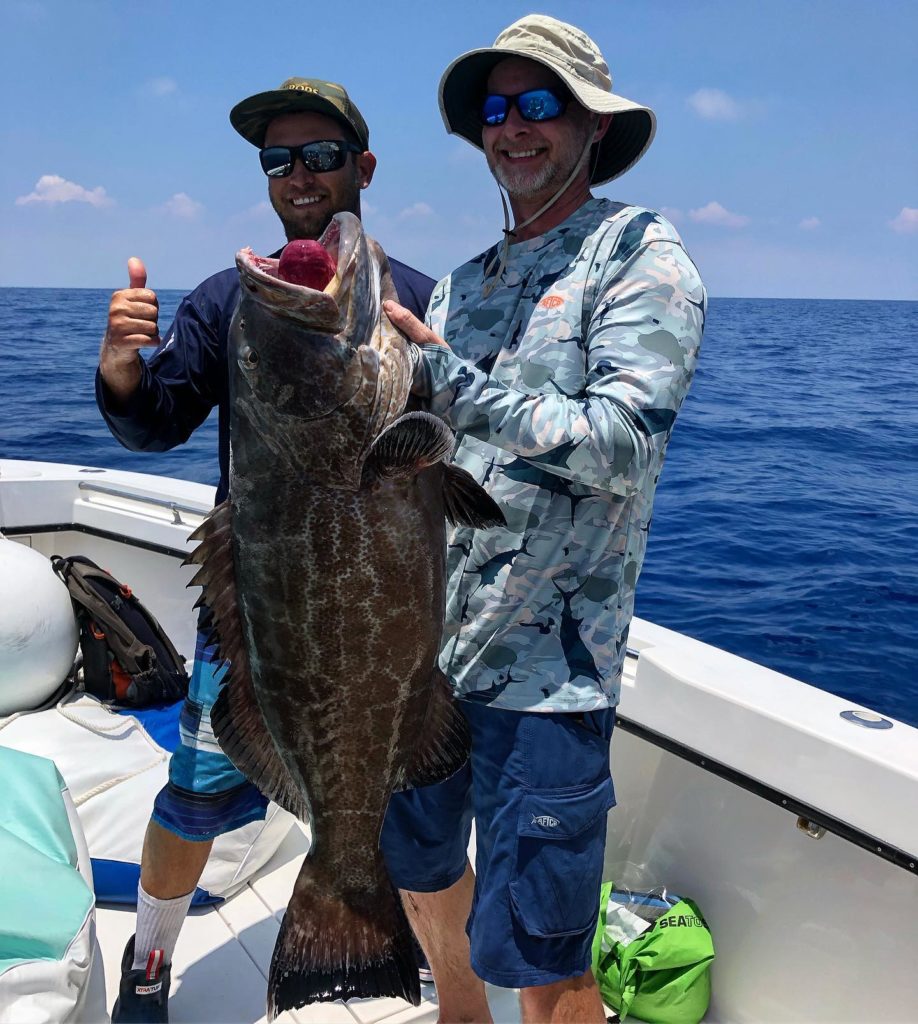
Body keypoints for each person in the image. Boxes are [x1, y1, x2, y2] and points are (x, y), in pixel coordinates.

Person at [379, 15, 706, 1024]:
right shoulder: (466, 283)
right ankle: (457, 1015)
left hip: (548, 679)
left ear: (593, 125)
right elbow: (433, 451)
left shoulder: (638, 254)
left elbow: (618, 448)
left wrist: (447, 378)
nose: (514, 127)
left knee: (547, 953)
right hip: (421, 659)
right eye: (497, 108)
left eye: (541, 104)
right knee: (420, 861)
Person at [97, 77, 435, 1023]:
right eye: (277, 159)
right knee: (195, 793)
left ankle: (422, 963)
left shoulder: (413, 303)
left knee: (412, 815)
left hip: (383, 623)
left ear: (361, 168)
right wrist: (123, 378)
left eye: (320, 155)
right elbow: (155, 422)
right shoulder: (227, 301)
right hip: (261, 616)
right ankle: (152, 960)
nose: (298, 175)